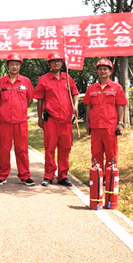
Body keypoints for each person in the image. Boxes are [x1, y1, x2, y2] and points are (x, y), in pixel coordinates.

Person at [34, 52, 79, 187]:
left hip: (66, 120)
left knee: (65, 148)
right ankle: (48, 175)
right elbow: (40, 100)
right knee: (50, 148)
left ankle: (63, 175)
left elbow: (75, 94)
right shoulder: (44, 79)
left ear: (62, 63)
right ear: (49, 64)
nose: (56, 63)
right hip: (51, 119)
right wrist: (40, 118)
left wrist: (75, 106)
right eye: (53, 61)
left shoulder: (67, 78)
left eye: (59, 61)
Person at [0, 53, 35, 186]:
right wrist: (6, 110)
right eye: (12, 64)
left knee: (22, 149)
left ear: (20, 66)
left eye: (17, 64)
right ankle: (1, 175)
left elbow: (30, 99)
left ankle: (25, 176)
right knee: (4, 149)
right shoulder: (1, 82)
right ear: (8, 66)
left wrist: (21, 109)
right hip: (5, 122)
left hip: (21, 121)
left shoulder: (26, 81)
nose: (14, 67)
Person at [83, 58, 128, 172]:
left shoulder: (117, 88)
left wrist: (120, 123)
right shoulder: (91, 89)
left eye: (105, 69)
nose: (103, 71)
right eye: (100, 69)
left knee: (111, 153)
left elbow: (120, 106)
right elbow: (88, 106)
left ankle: (110, 177)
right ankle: (98, 177)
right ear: (97, 71)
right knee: (96, 153)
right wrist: (87, 123)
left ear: (110, 71)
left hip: (110, 127)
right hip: (95, 127)